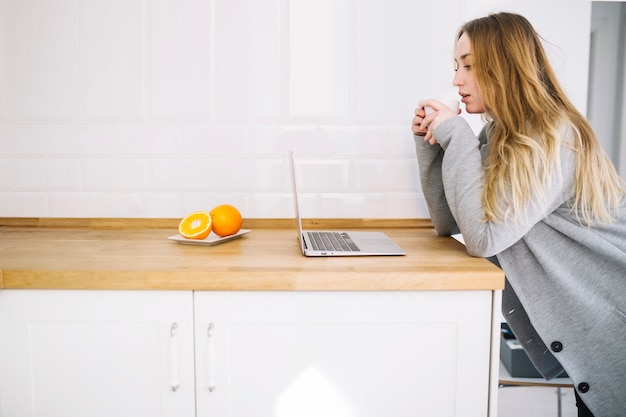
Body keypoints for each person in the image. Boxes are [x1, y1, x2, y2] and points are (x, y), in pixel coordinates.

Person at [411, 12, 626, 417]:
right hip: (594, 322)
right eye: (456, 66)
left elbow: (484, 238)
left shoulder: (551, 135)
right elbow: (452, 222)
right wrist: (432, 145)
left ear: (506, 66)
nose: (457, 79)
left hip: (612, 318)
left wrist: (455, 133)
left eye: (470, 66)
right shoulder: (499, 134)